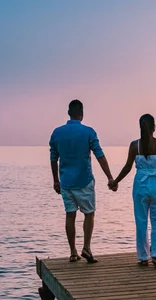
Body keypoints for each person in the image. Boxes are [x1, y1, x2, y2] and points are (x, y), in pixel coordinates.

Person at [49, 100, 115, 263]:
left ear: (68, 113)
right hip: (84, 181)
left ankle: (73, 252)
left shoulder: (57, 133)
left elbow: (53, 158)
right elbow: (99, 155)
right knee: (89, 214)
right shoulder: (88, 132)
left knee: (70, 215)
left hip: (66, 182)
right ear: (82, 113)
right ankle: (86, 247)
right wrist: (110, 177)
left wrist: (55, 180)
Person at [110, 114, 156, 267]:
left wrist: (115, 181)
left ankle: (143, 257)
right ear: (154, 128)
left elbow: (127, 167)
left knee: (141, 221)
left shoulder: (134, 145)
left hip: (140, 186)